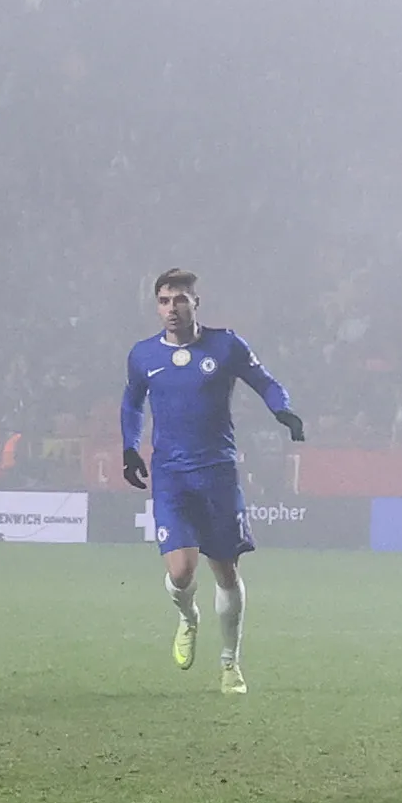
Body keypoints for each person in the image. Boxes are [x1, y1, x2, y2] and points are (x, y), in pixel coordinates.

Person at [120, 268, 304, 695]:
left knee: (225, 571)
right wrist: (129, 447)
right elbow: (131, 403)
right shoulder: (144, 355)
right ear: (156, 306)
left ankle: (230, 664)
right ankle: (188, 617)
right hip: (171, 476)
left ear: (196, 303)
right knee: (182, 573)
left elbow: (265, 382)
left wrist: (284, 410)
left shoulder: (226, 345)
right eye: (164, 301)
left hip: (217, 473)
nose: (172, 309)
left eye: (180, 299)